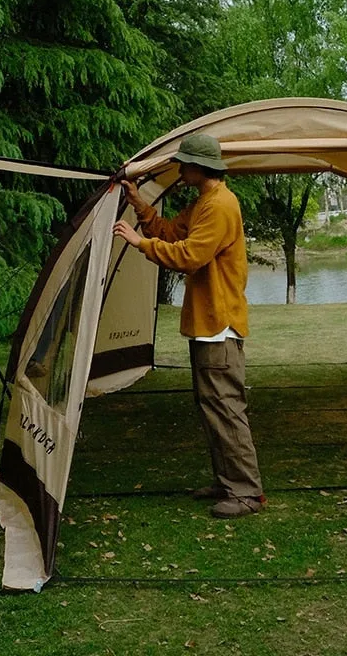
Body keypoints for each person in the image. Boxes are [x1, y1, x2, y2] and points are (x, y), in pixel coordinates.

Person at [112, 133, 264, 519]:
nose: (180, 170)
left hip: (219, 325)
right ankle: (227, 481)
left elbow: (191, 256)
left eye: (185, 164)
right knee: (212, 406)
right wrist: (140, 208)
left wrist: (138, 243)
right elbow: (171, 232)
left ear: (201, 167)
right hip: (207, 323)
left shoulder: (220, 205)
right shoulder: (204, 203)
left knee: (226, 408)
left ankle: (246, 493)